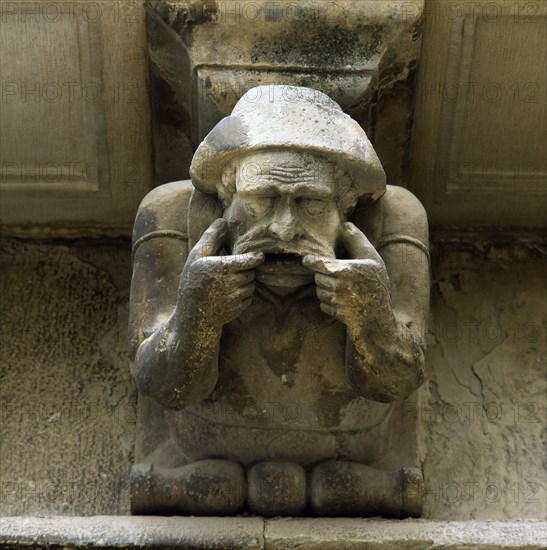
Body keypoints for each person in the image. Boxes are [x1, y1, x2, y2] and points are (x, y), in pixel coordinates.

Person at [128, 85, 429, 516]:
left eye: (310, 204)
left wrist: (373, 320)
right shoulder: (171, 213)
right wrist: (196, 316)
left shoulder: (398, 217)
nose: (285, 229)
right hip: (203, 442)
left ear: (346, 209)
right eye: (262, 201)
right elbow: (160, 384)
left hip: (357, 447)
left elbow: (398, 381)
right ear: (226, 200)